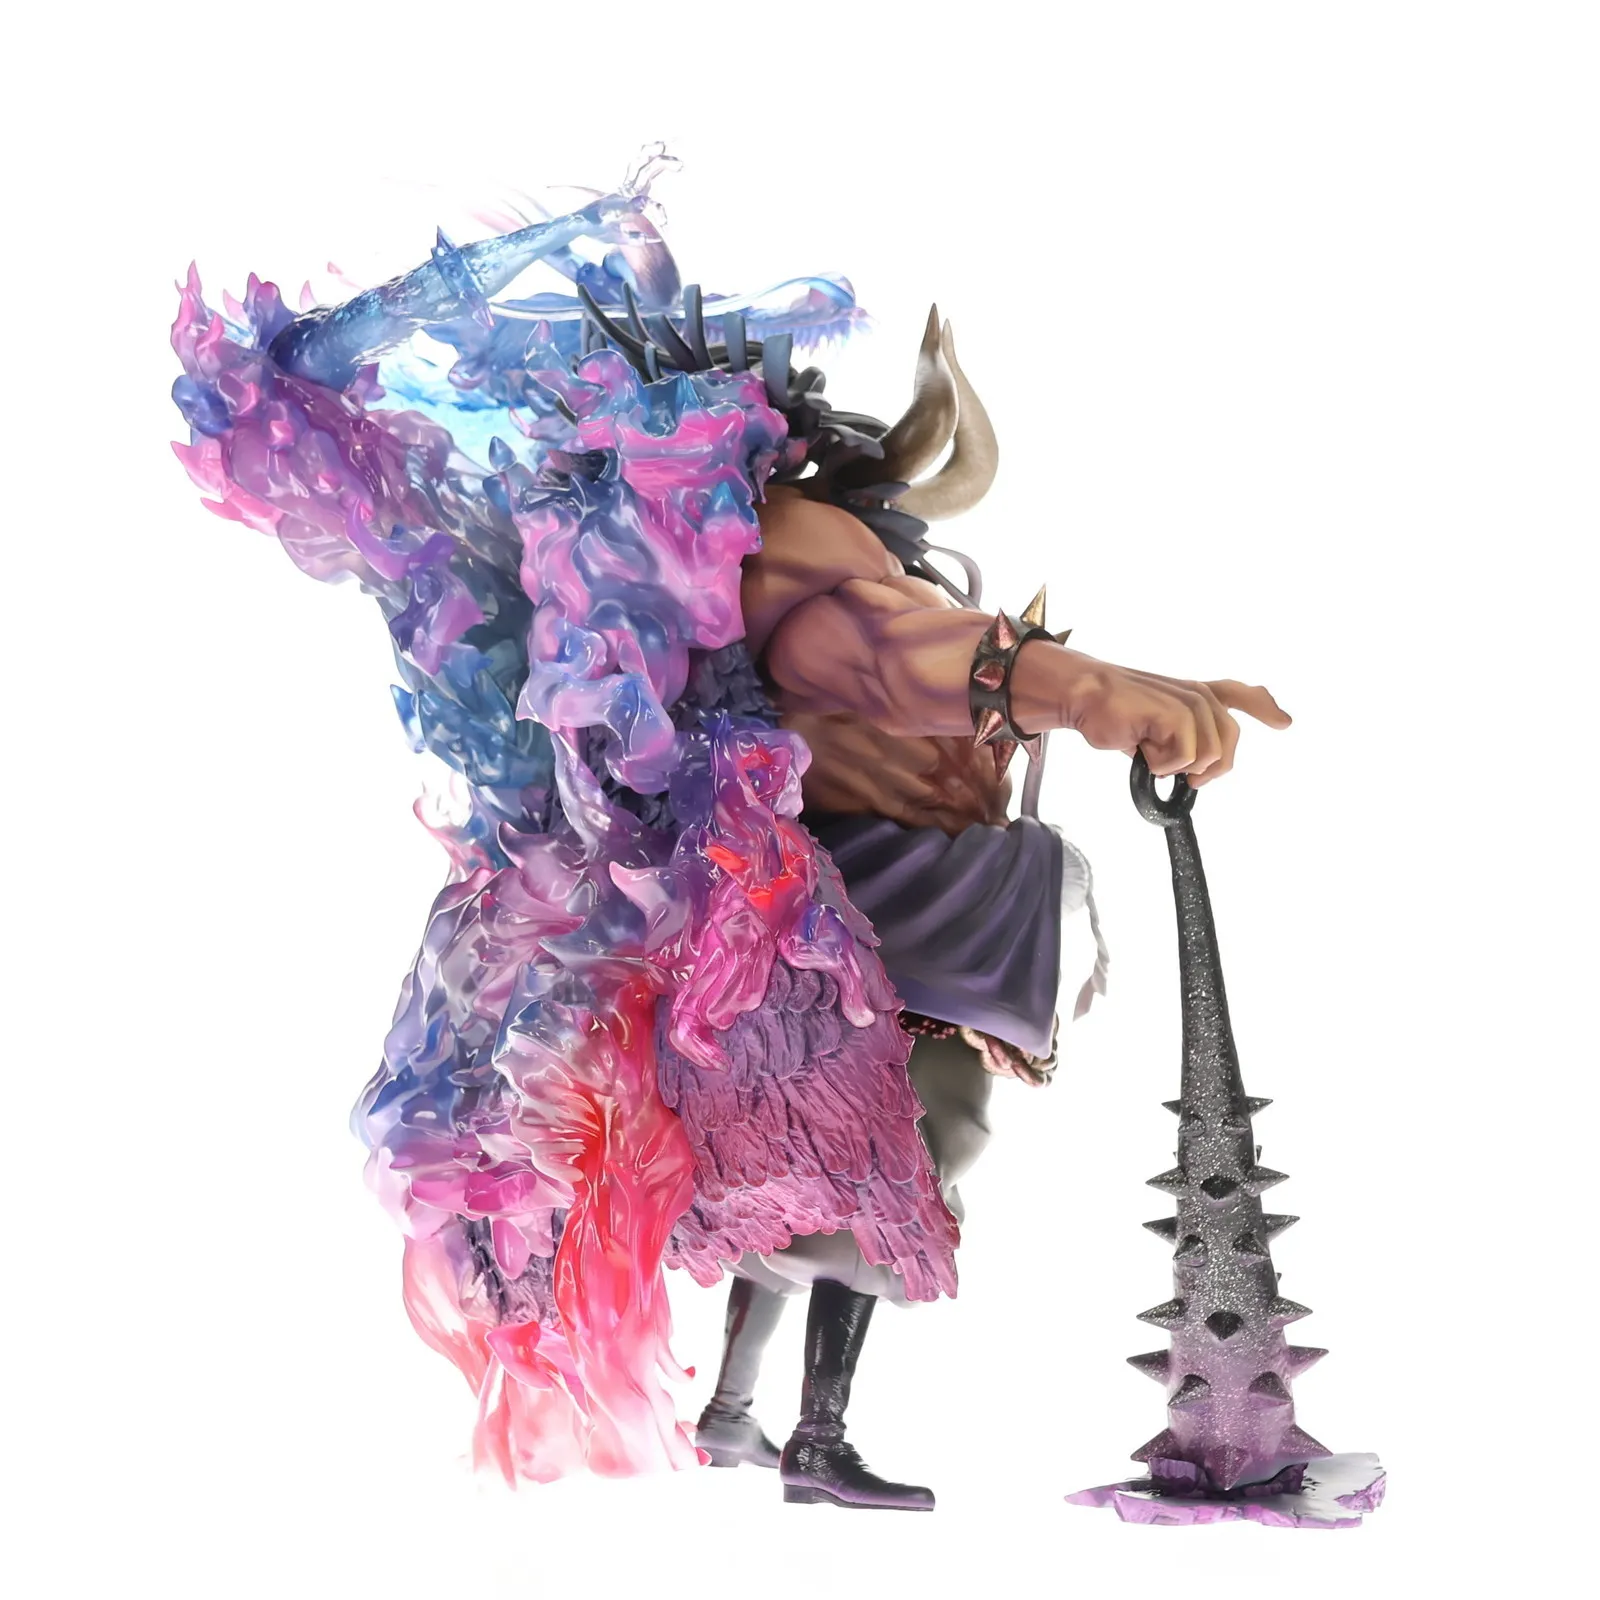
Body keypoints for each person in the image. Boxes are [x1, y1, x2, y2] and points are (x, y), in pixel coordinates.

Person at [169, 160, 1286, 1509]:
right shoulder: (794, 554)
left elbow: (900, 658)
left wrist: (1111, 687)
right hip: (846, 917)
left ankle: (746, 1415)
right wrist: (1091, 690)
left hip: (838, 906)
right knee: (901, 1154)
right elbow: (882, 658)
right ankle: (808, 1431)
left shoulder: (748, 562)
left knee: (829, 1162)